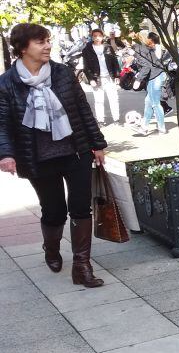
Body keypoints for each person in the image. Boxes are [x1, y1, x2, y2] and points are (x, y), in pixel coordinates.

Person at [0, 23, 109, 287]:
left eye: (48, 40)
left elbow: (82, 110)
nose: (48, 46)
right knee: (54, 211)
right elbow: (2, 123)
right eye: (40, 42)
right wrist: (6, 154)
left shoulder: (62, 73)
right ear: (23, 48)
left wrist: (98, 143)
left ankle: (82, 266)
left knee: (81, 207)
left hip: (76, 152)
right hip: (38, 158)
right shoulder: (7, 83)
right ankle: (51, 248)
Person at [81, 28, 121, 125]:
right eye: (95, 36)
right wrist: (91, 79)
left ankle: (116, 119)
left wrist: (117, 76)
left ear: (102, 37)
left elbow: (115, 62)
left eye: (99, 36)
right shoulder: (87, 50)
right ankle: (100, 120)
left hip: (109, 78)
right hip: (97, 78)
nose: (97, 38)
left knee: (114, 99)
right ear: (92, 37)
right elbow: (86, 67)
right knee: (99, 101)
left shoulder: (108, 47)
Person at [133, 32, 168, 136]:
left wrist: (138, 80)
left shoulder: (140, 48)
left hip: (154, 77)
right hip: (158, 75)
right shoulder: (147, 47)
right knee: (148, 102)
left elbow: (146, 66)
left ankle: (161, 129)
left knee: (155, 104)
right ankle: (144, 127)